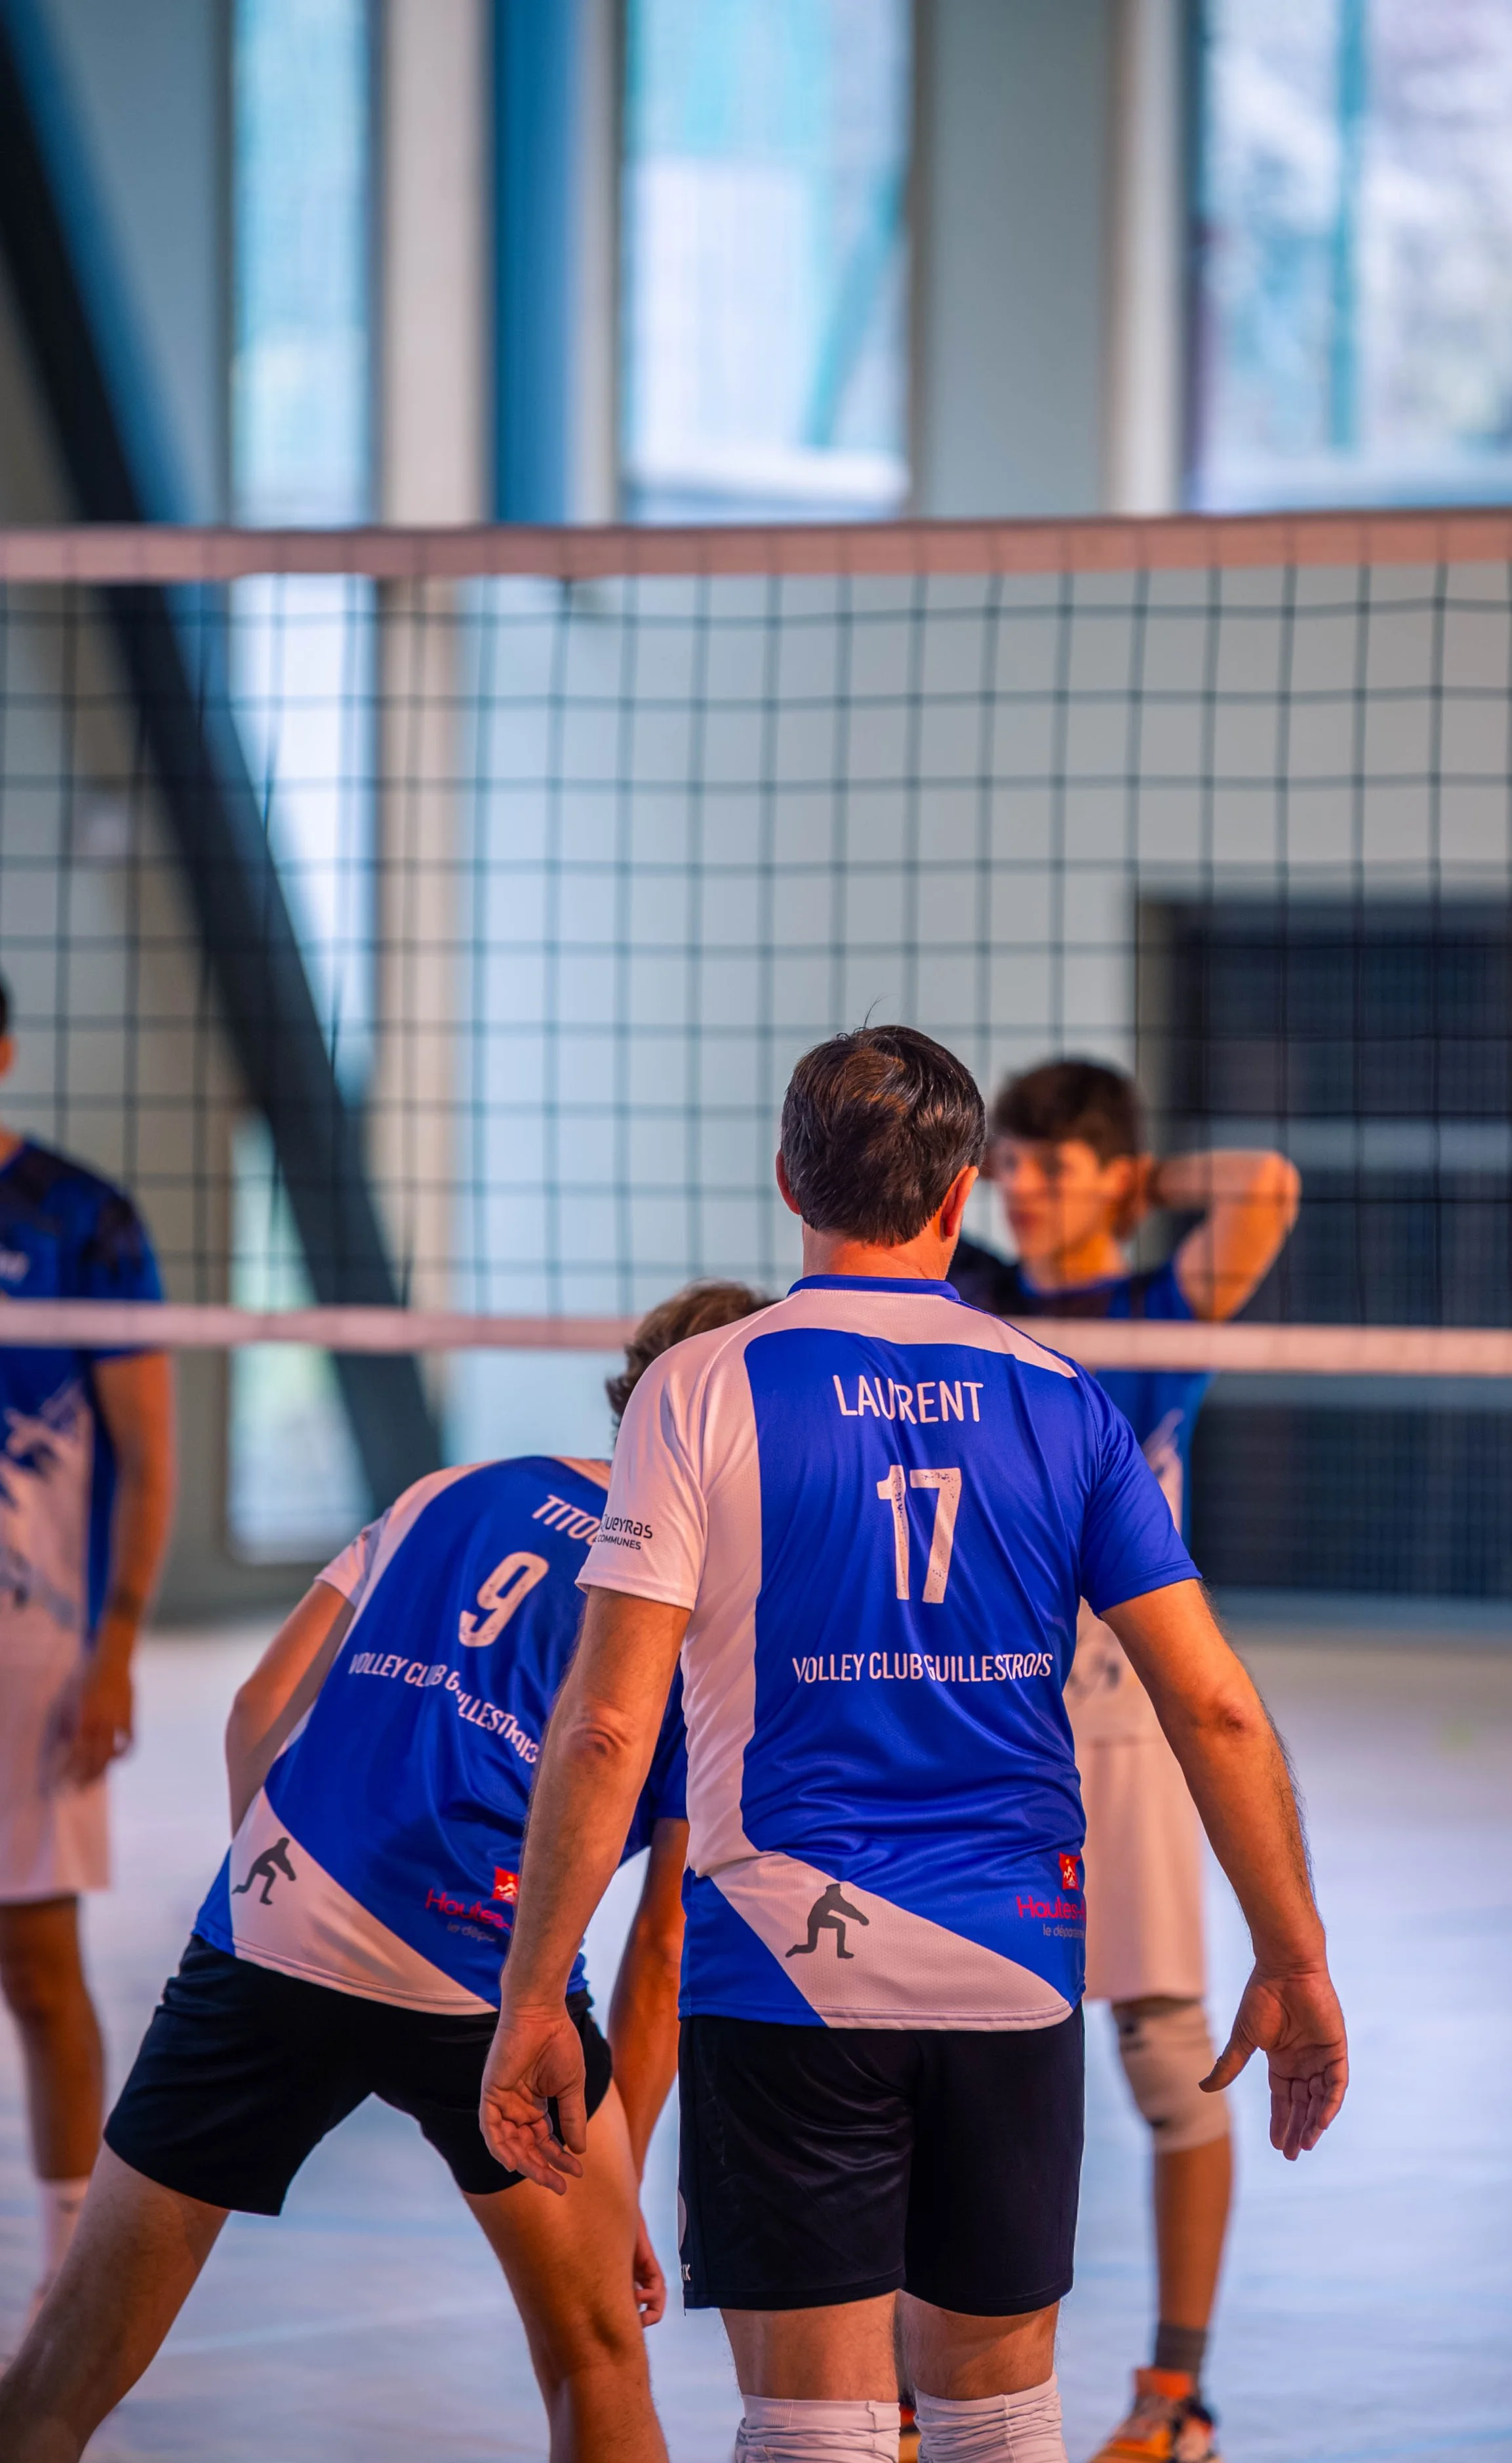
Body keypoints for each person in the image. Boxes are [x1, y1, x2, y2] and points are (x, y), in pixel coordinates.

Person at [478, 1025, 1346, 2463]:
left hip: (782, 1972)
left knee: (811, 2424)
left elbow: (607, 1722)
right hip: (1010, 1968)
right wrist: (1294, 1957)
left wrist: (530, 1998)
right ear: (960, 1197)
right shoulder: (1066, 1399)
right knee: (1000, 2423)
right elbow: (1215, 1707)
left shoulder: (698, 1386)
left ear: (786, 1182)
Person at [0, 1277, 769, 2462]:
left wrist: (287, 1896)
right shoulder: (710, 1613)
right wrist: (612, 2184)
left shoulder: (452, 1490)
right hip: (483, 1972)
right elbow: (663, 1948)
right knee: (595, 2356)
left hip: (273, 1923)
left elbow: (256, 1708)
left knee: (65, 2363)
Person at [949, 1058, 1301, 2463]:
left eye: (1053, 1163)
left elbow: (1265, 1188)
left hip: (1126, 1722)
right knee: (945, 2048)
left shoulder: (1160, 1312)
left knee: (1165, 2062)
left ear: (1112, 1171)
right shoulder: (971, 1298)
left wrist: (1142, 1180)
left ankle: (1174, 2397)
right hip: (984, 1716)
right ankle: (914, 2394)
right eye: (1009, 1163)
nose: (1022, 1188)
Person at [0, 970, 175, 2316]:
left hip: (32, 1656)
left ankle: (66, 2285)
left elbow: (149, 1462)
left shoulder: (83, 1220)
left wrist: (114, 1648)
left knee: (38, 1966)